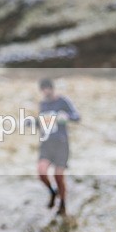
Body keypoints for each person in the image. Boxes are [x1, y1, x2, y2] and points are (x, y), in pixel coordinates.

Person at [36, 78, 80, 216]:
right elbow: (41, 122)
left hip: (61, 143)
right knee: (41, 172)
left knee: (58, 175)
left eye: (47, 88)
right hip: (46, 143)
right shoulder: (43, 104)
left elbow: (76, 117)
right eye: (43, 89)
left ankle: (63, 204)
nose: (45, 91)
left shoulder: (62, 102)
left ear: (52, 88)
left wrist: (66, 117)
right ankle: (52, 192)